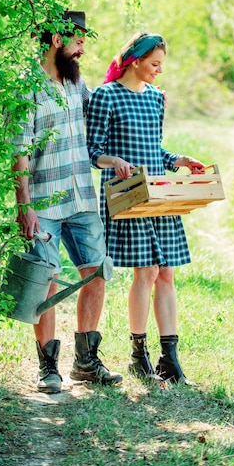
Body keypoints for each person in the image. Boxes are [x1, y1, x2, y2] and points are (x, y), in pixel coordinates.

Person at [86, 32, 206, 385]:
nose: (159, 71)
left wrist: (178, 159)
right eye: (154, 64)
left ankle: (170, 360)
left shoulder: (156, 98)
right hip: (127, 194)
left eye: (162, 65)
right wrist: (116, 161)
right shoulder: (106, 96)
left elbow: (154, 150)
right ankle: (139, 356)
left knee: (167, 273)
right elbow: (93, 152)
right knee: (148, 272)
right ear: (135, 61)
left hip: (160, 194)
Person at [11, 10, 122, 393]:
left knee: (96, 273)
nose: (82, 51)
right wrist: (23, 204)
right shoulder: (26, 88)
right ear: (58, 40)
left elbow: (108, 108)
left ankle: (86, 363)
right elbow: (19, 152)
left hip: (82, 198)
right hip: (43, 201)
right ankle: (48, 367)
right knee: (46, 282)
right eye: (78, 43)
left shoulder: (78, 87)